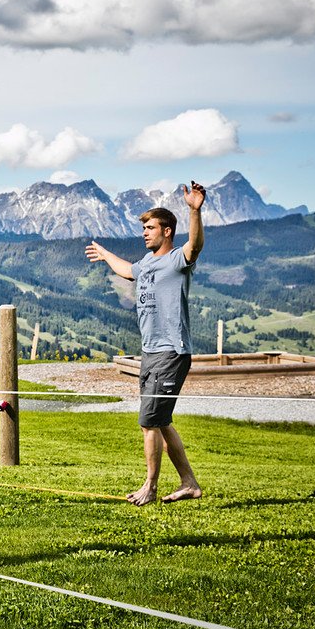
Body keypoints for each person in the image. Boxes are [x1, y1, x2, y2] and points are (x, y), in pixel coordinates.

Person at [85, 182, 206, 506]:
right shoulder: (147, 263)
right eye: (144, 228)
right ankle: (189, 483)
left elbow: (195, 245)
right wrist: (106, 254)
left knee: (149, 421)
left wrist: (194, 210)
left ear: (167, 231)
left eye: (150, 228)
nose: (145, 233)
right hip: (150, 352)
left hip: (171, 351)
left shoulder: (178, 260)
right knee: (161, 421)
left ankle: (149, 487)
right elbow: (128, 271)